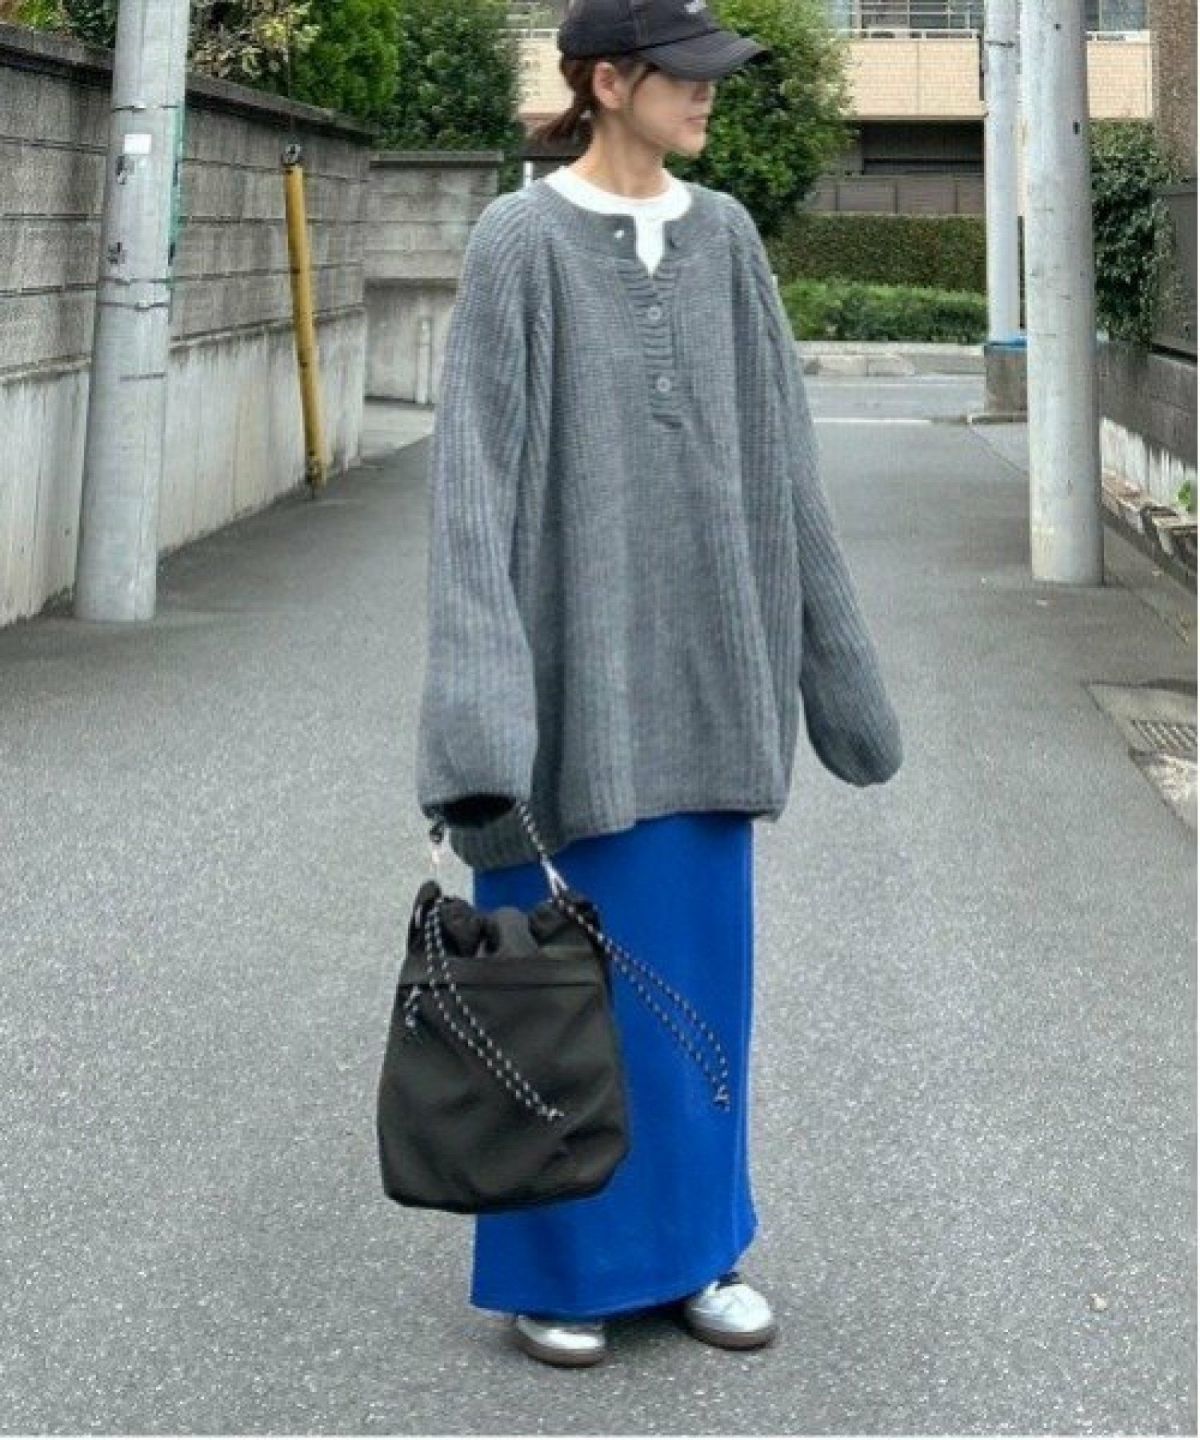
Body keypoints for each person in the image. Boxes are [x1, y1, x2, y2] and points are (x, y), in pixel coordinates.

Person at [414, 0, 905, 1368]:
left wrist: (835, 672)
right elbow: (473, 495)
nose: (708, 97)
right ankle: (561, 1269)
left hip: (708, 694)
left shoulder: (728, 237)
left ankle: (702, 1250)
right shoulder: (518, 242)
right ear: (609, 81)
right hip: (563, 715)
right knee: (554, 1008)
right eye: (685, 77)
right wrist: (477, 732)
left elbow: (786, 467)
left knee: (697, 1007)